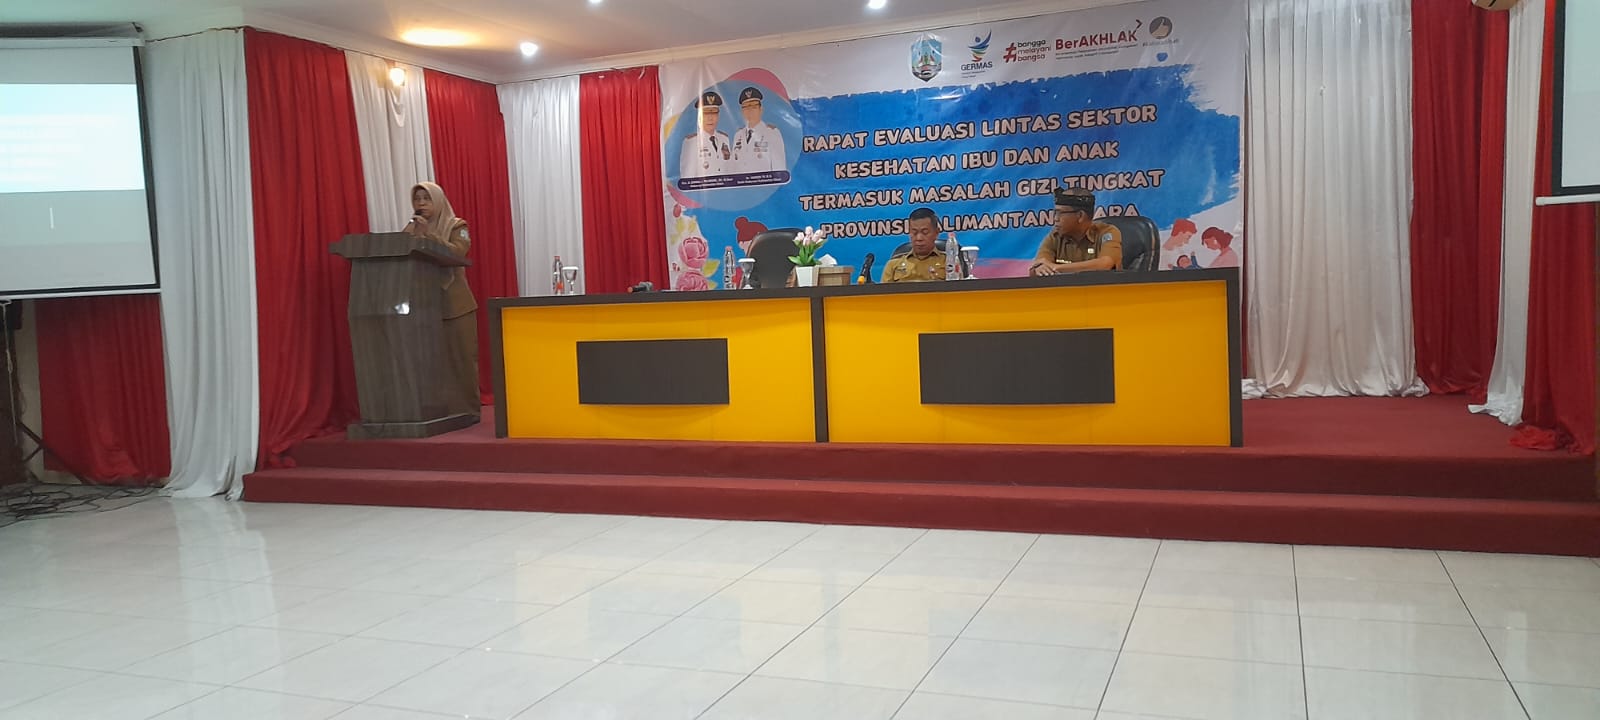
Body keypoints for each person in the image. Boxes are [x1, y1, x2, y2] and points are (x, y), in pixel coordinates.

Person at [404, 182, 479, 419]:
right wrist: (411, 232)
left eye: (426, 199)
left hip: (456, 305)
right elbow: (402, 251)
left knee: (461, 359)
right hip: (425, 305)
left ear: (438, 200)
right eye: (417, 199)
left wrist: (429, 235)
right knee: (432, 363)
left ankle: (466, 411)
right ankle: (438, 412)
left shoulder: (457, 225)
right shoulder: (413, 228)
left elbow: (458, 252)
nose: (421, 204)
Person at [1029, 188, 1122, 276]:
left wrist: (1056, 268)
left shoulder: (1107, 232)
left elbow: (1105, 264)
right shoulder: (1055, 236)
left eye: (1060, 213)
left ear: (1080, 216)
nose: (1055, 219)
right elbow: (1039, 265)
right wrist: (1039, 269)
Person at [881, 207, 951, 283]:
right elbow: (884, 290)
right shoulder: (894, 264)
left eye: (925, 232)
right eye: (914, 232)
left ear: (936, 233)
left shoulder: (948, 262)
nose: (919, 238)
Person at [730, 87, 787, 173]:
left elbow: (779, 168)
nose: (750, 111)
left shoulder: (771, 133)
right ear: (742, 112)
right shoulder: (738, 135)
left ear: (761, 110)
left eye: (753, 107)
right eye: (746, 107)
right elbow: (733, 168)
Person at [679, 90, 731, 179]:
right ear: (699, 117)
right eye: (705, 113)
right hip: (703, 187)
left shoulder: (724, 139)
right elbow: (688, 176)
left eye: (714, 113)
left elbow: (729, 170)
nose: (710, 118)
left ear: (718, 116)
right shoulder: (691, 142)